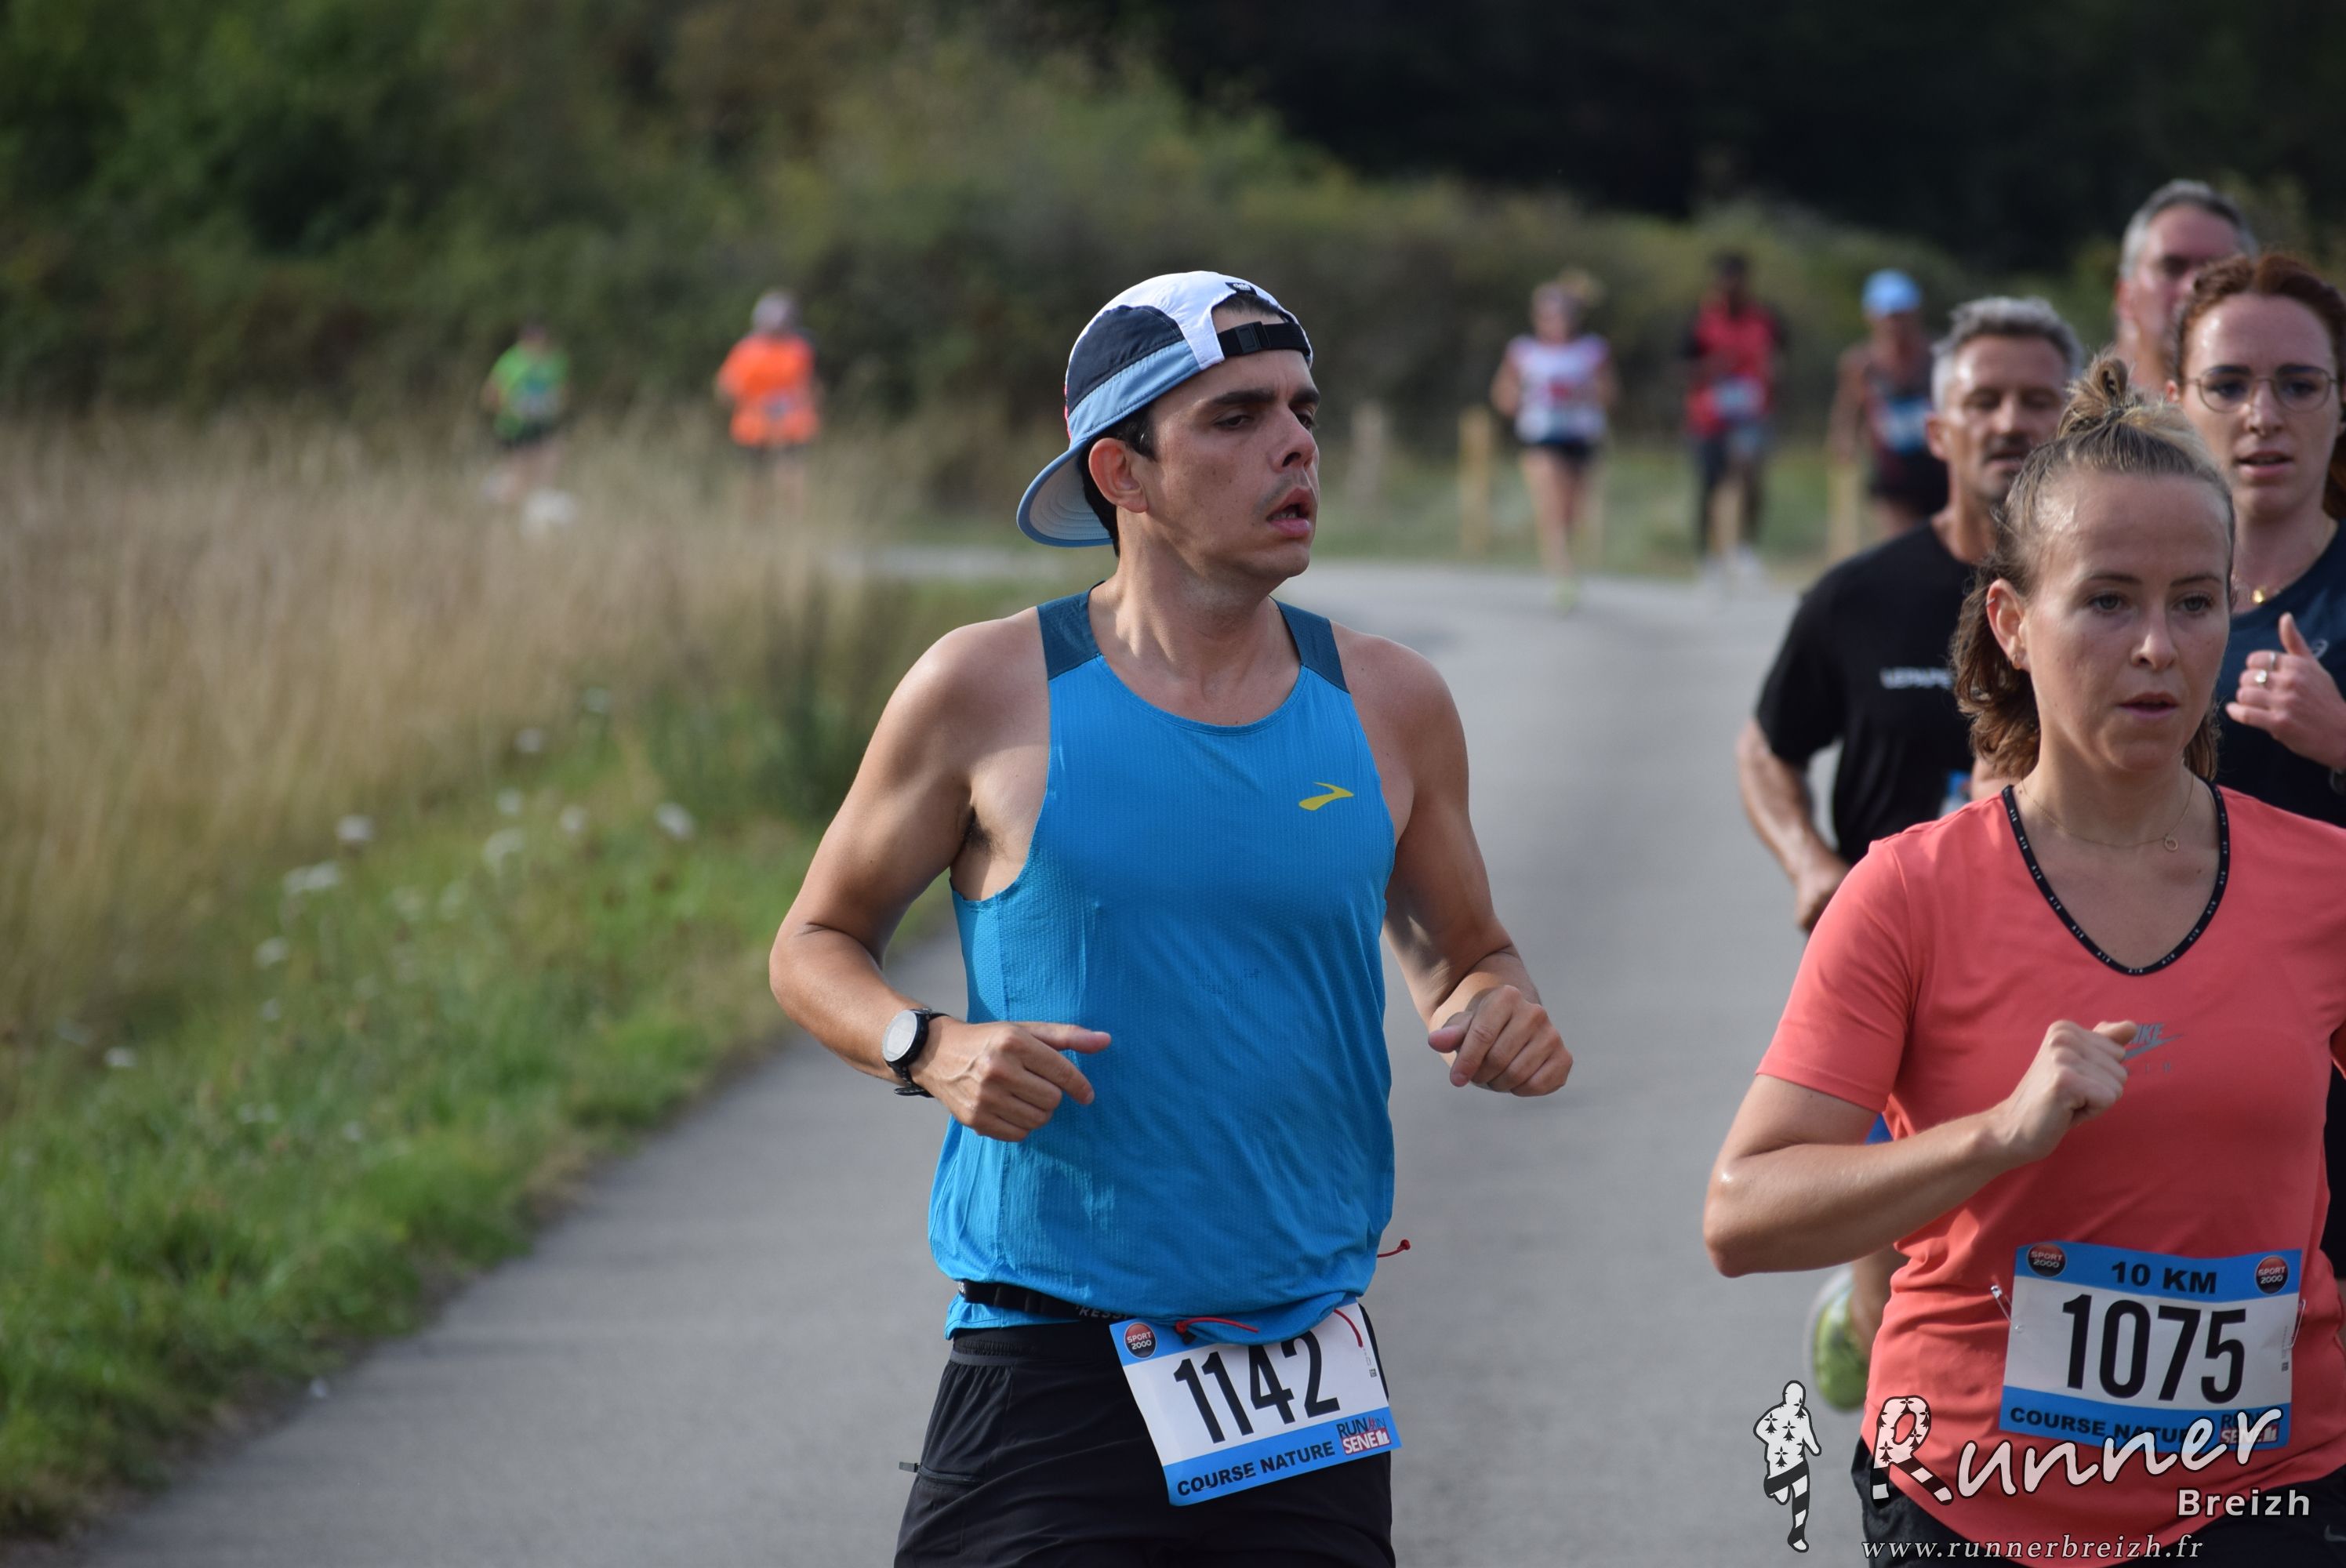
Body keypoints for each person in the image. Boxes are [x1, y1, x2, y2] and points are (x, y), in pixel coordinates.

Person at [767, 271, 1572, 1566]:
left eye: (1303, 410)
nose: (1294, 444)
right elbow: (813, 945)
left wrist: (1497, 1009)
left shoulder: (1391, 701)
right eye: (1236, 417)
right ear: (1121, 472)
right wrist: (928, 1047)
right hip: (1048, 1352)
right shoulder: (985, 687)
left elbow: (1467, 954)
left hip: (1300, 1366)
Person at [1706, 357, 2346, 1560]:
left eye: (2194, 603)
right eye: (2106, 601)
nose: (2157, 646)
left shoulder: (2326, 885)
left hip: (2270, 1492)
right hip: (1975, 1496)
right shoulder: (1908, 891)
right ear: (2011, 622)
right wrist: (1996, 1137)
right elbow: (1743, 1216)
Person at [1738, 297, 2083, 1414]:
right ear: (1936, 430)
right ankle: (1887, 1378)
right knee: (1902, 1235)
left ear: (2076, 419)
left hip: (2076, 948)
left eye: (2037, 399)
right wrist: (1808, 863)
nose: (2010, 420)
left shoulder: (2110, 598)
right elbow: (1766, 746)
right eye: (1983, 400)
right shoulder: (1860, 597)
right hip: (1901, 965)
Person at [2169, 253, 2346, 1282]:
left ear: (2340, 402)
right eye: (2229, 384)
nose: (2263, 415)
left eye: (2298, 384)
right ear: (2177, 401)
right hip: (2162, 1048)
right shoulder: (2127, 597)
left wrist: (2341, 741)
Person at [1490, 278, 1617, 607]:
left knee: (1571, 511)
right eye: (1547, 316)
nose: (1555, 322)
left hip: (1580, 435)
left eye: (1561, 315)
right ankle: (1563, 576)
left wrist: (1582, 393)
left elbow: (1609, 393)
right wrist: (1521, 398)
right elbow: (1502, 395)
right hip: (1540, 436)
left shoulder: (1591, 350)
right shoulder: (1523, 351)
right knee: (1550, 504)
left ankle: (1564, 562)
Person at [1683, 252, 1789, 587]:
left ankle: (1744, 548)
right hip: (1709, 416)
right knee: (1710, 483)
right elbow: (1680, 367)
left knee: (1750, 473)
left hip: (1752, 414)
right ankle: (1708, 556)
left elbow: (1781, 357)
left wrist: (1775, 375)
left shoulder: (1765, 318)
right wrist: (1711, 367)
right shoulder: (1700, 319)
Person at [1828, 270, 1947, 538]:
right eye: (1888, 316)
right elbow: (1848, 408)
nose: (1895, 324)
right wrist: (1843, 441)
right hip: (1891, 469)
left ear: (1915, 313)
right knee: (1903, 542)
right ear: (1872, 316)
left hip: (1939, 465)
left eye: (1902, 314)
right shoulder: (1862, 363)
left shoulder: (1939, 356)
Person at [2113, 180, 2257, 391]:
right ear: (2126, 298)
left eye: (2218, 270)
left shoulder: (2284, 409)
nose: (2192, 287)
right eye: (2172, 268)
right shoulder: (2067, 406)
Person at [716, 290, 822, 521]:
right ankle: (769, 521)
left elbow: (725, 391)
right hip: (760, 427)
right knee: (764, 477)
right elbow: (727, 389)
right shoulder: (754, 350)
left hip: (785, 427)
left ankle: (778, 521)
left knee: (780, 475)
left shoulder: (796, 350)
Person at [479, 320, 568, 507]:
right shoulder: (510, 362)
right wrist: (512, 409)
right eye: (532, 338)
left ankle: (537, 508)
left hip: (542, 424)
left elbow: (562, 391)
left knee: (551, 462)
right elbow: (489, 395)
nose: (537, 343)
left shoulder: (553, 361)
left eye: (540, 338)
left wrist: (553, 405)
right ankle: (494, 495)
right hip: (515, 426)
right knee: (519, 475)